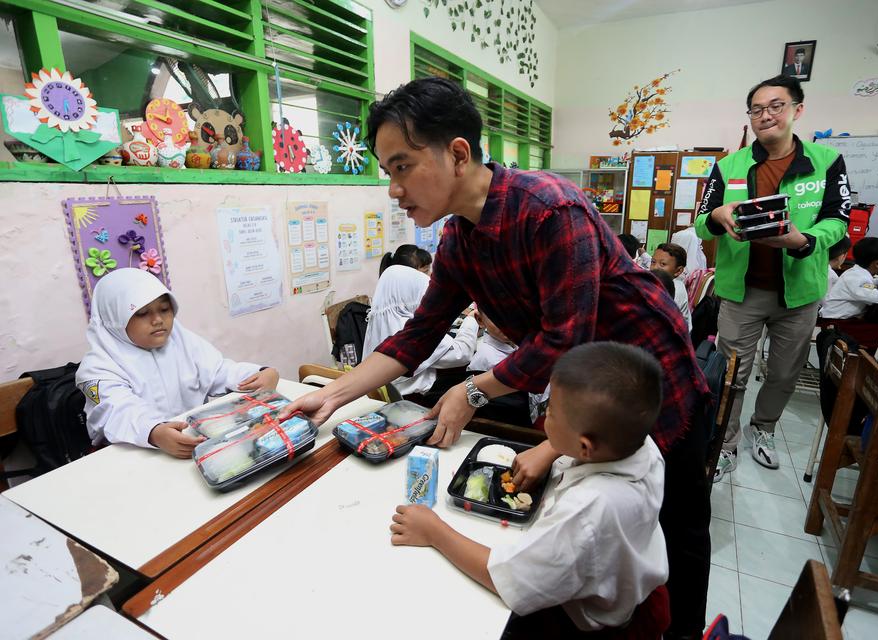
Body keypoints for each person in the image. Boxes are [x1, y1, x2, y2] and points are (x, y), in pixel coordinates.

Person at [282, 77, 711, 639]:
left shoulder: (550, 209)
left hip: (646, 383)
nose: (393, 188)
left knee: (671, 532)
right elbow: (418, 335)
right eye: (387, 171)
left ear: (458, 154)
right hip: (579, 395)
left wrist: (473, 389)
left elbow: (565, 338)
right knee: (591, 534)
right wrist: (333, 394)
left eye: (402, 166)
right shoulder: (459, 240)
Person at [390, 342, 670, 638]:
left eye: (551, 413)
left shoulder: (590, 510)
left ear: (585, 447)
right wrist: (551, 450)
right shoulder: (641, 446)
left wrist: (435, 532)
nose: (545, 415)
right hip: (631, 587)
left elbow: (509, 580)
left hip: (586, 623)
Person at [695, 74, 850, 479]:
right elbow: (699, 224)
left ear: (798, 109)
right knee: (732, 374)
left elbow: (839, 220)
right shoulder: (728, 165)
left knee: (784, 374)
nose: (766, 115)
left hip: (799, 292)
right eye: (757, 109)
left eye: (776, 106)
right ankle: (724, 443)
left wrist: (804, 240)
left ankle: (762, 429)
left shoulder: (826, 161)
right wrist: (717, 214)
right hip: (740, 291)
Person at [76, 268, 279, 458]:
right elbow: (118, 411)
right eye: (141, 313)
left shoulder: (181, 342)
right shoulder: (98, 366)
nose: (158, 320)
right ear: (114, 318)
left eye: (164, 309)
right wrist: (153, 432)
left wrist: (258, 373)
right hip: (133, 456)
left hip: (192, 443)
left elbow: (219, 370)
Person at [362, 263, 479, 399]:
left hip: (393, 398)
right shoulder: (409, 330)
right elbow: (461, 354)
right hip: (418, 399)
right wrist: (471, 321)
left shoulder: (376, 321)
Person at [652, 243, 692, 330]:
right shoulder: (657, 283)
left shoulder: (676, 289)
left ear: (678, 271)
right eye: (653, 262)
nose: (654, 267)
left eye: (662, 264)